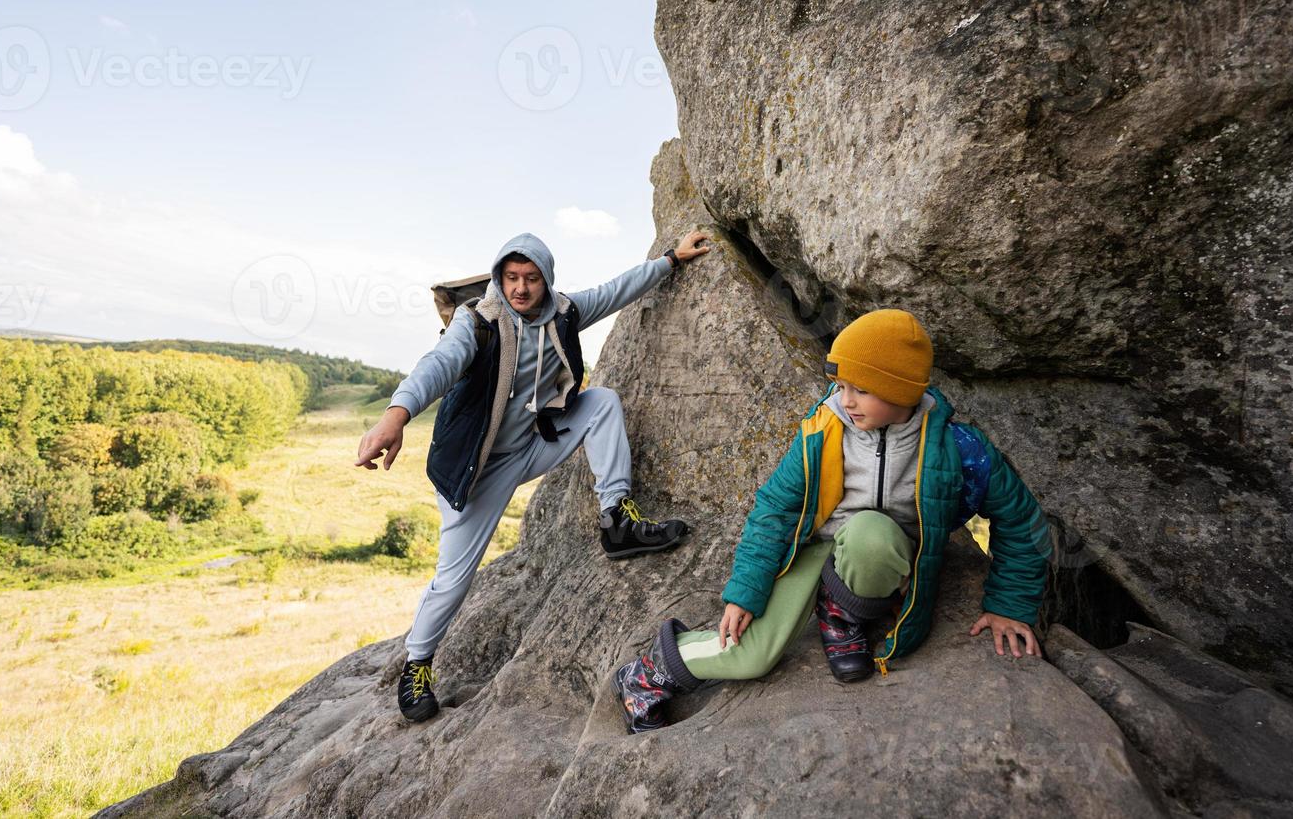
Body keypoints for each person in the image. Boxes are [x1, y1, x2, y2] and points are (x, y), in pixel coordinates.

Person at [610, 308, 1052, 733]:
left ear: (900, 389)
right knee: (754, 656)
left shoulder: (957, 448)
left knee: (872, 536)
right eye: (841, 385)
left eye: (861, 388)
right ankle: (648, 672)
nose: (847, 400)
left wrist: (1008, 607)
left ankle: (841, 613)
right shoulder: (825, 429)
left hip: (880, 551)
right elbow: (775, 510)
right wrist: (746, 590)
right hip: (818, 545)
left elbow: (1021, 521)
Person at [356, 230, 712, 723]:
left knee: (602, 403)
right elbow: (436, 366)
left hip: (534, 441)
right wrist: (395, 417)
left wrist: (670, 260)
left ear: (545, 281)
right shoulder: (477, 324)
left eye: (531, 279)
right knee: (454, 580)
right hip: (478, 472)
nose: (521, 289)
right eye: (511, 278)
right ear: (499, 279)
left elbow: (615, 291)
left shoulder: (562, 313)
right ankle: (417, 665)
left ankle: (617, 520)